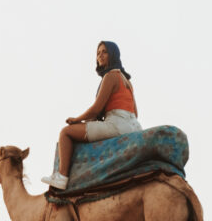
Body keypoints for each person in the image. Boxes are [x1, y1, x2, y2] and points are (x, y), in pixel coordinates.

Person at [41, 40, 143, 190]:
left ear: (113, 54)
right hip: (135, 126)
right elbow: (136, 112)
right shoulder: (126, 81)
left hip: (116, 124)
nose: (100, 56)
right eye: (98, 53)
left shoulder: (110, 76)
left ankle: (62, 177)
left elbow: (96, 109)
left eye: (104, 52)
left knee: (66, 133)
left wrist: (77, 119)